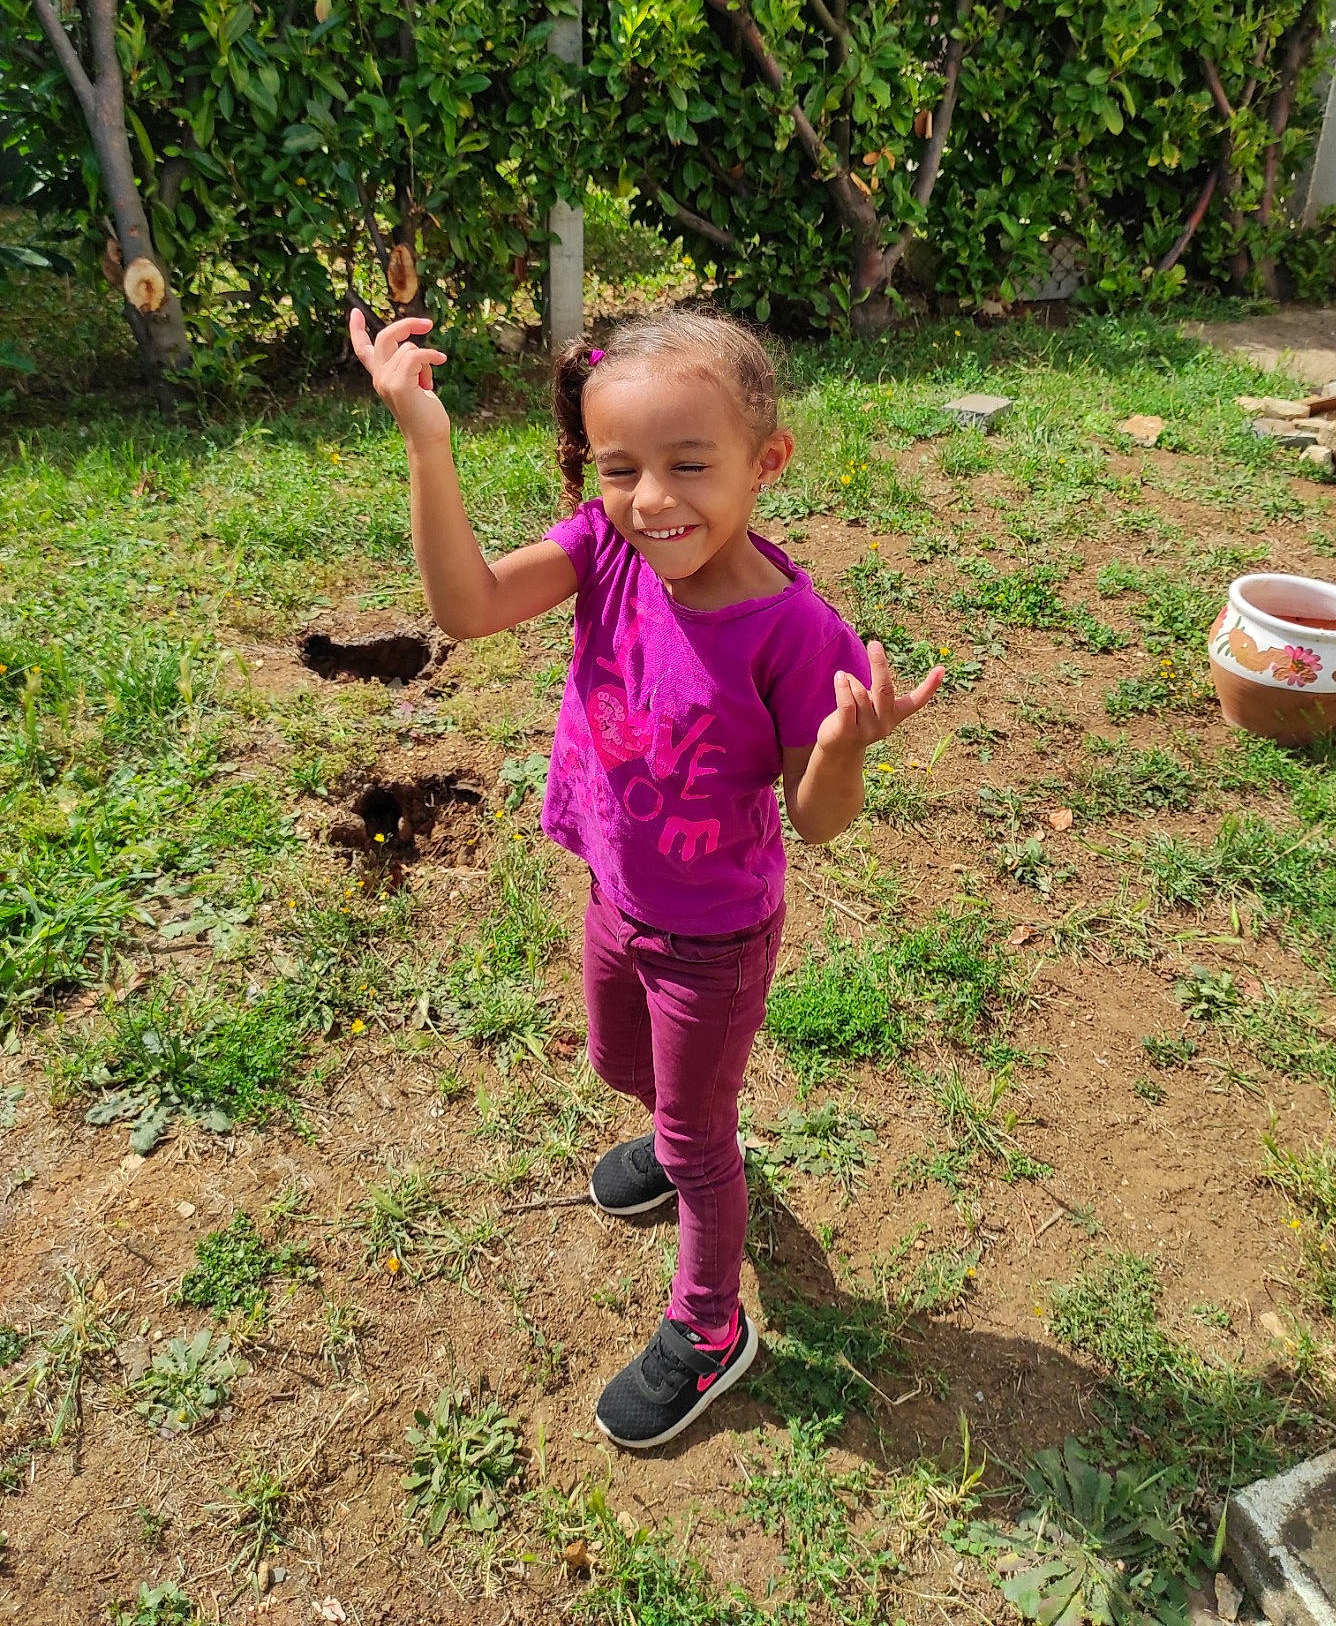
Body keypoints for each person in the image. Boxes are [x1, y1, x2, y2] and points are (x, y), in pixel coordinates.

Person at [348, 304, 942, 1448]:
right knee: (618, 1064)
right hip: (614, 898)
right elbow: (465, 608)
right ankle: (675, 1140)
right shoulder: (603, 545)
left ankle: (711, 1323)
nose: (653, 498)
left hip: (712, 940)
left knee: (700, 1135)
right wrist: (425, 437)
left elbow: (817, 826)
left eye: (688, 464)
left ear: (765, 461)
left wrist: (836, 749)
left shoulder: (795, 632)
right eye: (620, 467)